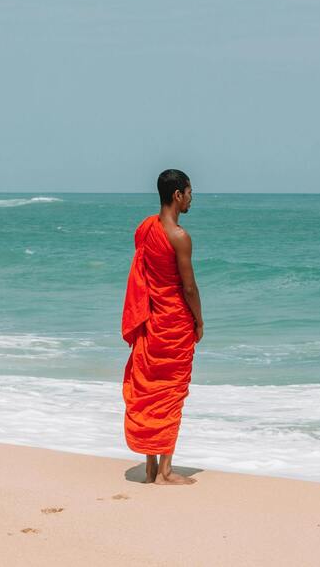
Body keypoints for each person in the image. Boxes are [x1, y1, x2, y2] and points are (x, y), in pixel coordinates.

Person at [121, 169, 203, 485]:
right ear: (177, 195)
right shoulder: (180, 237)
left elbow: (145, 273)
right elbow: (189, 287)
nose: (192, 197)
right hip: (174, 323)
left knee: (150, 389)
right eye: (190, 192)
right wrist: (199, 320)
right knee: (170, 392)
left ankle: (151, 466)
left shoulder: (146, 229)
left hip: (150, 320)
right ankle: (166, 472)